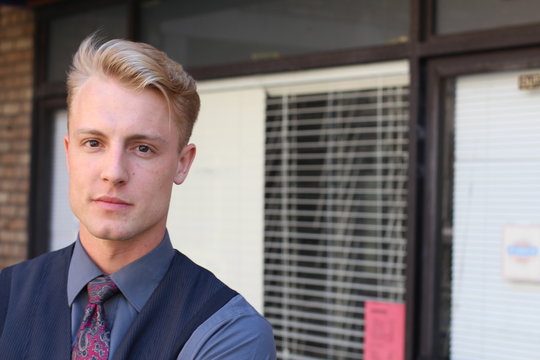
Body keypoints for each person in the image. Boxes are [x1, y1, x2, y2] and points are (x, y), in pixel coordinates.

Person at [0, 35, 276, 359]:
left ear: (182, 164)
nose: (114, 171)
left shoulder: (228, 333)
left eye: (143, 148)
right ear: (68, 152)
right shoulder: (6, 295)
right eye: (93, 143)